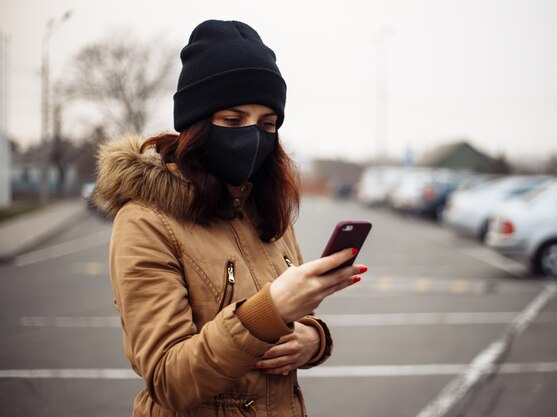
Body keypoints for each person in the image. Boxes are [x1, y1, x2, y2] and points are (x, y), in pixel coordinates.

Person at [91, 19, 368, 417]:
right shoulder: (145, 220)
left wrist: (312, 340)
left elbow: (294, 321)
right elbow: (169, 381)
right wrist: (270, 310)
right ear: (195, 125)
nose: (253, 136)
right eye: (233, 121)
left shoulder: (265, 206)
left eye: (268, 124)